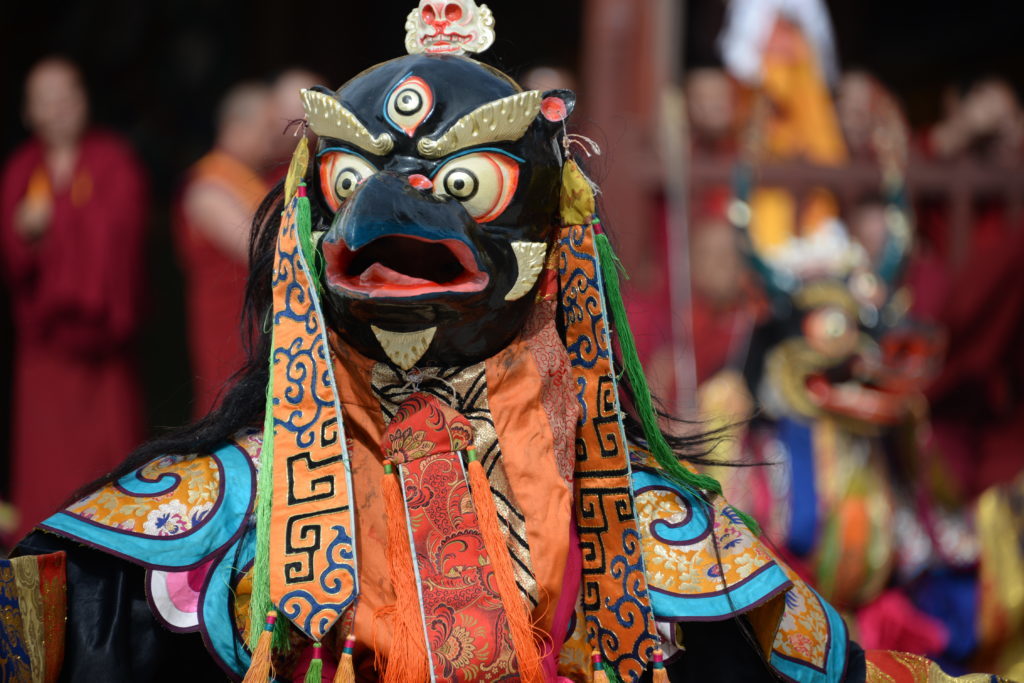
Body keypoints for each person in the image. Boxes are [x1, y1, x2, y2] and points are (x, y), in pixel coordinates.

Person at [4, 5, 1000, 681]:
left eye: (467, 184)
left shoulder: (635, 527)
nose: (391, 211)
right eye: (352, 183)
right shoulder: (220, 514)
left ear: (556, 234)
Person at [0, 57, 148, 540]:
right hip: (46, 355)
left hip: (104, 353)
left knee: (110, 475)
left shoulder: (114, 162)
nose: (60, 107)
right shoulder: (22, 170)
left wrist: (54, 225)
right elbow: (13, 256)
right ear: (28, 112)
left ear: (84, 100)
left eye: (68, 94)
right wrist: (24, 234)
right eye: (47, 99)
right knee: (47, 475)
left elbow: (125, 235)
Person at [176, 82, 274, 416]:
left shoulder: (249, 179)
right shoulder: (208, 186)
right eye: (266, 128)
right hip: (229, 330)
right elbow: (259, 247)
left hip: (258, 326)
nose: (272, 139)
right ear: (237, 127)